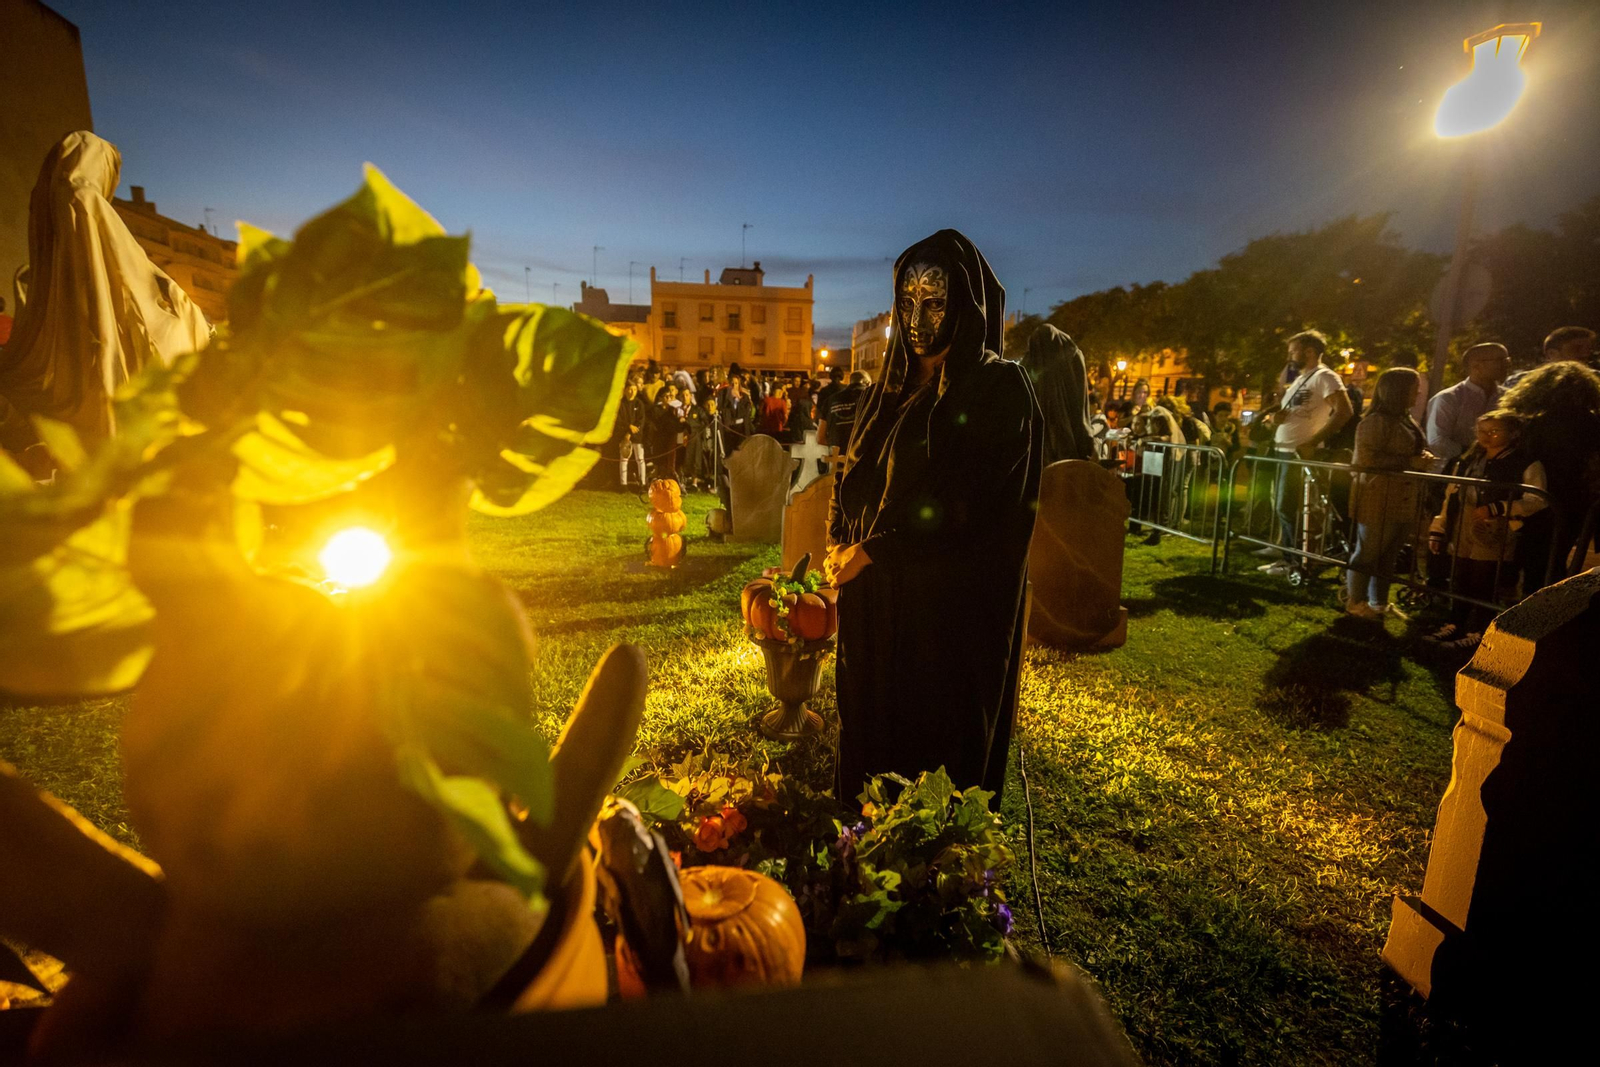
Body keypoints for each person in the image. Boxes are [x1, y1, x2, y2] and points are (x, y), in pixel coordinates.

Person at [827, 229, 1040, 802]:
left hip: (942, 616)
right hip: (873, 603)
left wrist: (877, 550)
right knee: (867, 744)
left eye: (935, 301)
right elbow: (852, 473)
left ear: (965, 305)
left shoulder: (997, 388)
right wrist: (838, 537)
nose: (917, 318)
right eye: (907, 301)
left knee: (928, 758)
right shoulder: (885, 390)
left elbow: (970, 502)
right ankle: (859, 839)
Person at [0, 132, 210, 444]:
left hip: (69, 353)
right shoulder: (86, 200)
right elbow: (133, 275)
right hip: (108, 348)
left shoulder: (47, 207)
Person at [1424, 411, 1547, 652]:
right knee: (1461, 576)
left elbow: (1536, 499)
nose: (1486, 436)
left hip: (1495, 530)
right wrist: (1439, 527)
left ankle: (1479, 631)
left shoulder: (1525, 462)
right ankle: (1455, 623)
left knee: (1485, 580)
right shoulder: (1469, 459)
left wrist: (1499, 508)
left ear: (1513, 433)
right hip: (1464, 524)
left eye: (1494, 431)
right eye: (1481, 431)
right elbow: (1451, 494)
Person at [1498, 360, 1600, 588]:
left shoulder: (1536, 422)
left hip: (1539, 497)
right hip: (1576, 501)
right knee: (1556, 560)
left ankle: (1533, 605)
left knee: (1535, 559)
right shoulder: (1592, 422)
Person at [1257, 330, 1353, 573]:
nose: (1290, 356)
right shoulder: (1302, 379)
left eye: (1293, 351)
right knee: (1285, 507)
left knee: (1289, 507)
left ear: (1309, 351)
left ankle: (1296, 562)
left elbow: (1344, 411)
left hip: (1299, 454)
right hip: (1285, 451)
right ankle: (1290, 558)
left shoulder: (1325, 376)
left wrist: (1313, 442)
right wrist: (1276, 420)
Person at [1343, 368, 1431, 620]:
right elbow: (1366, 459)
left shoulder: (1404, 420)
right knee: (1368, 553)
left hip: (1402, 497)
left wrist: (1421, 457)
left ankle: (1378, 603)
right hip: (1378, 497)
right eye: (1414, 389)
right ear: (1397, 391)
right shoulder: (1375, 422)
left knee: (1389, 555)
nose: (1419, 393)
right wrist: (1410, 461)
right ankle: (1355, 602)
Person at [1019, 325, 1095, 464]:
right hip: (1067, 452)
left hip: (1029, 452)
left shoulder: (1028, 363)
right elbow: (1079, 407)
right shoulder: (1072, 356)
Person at [1425, 342, 1508, 467]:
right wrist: (1473, 455)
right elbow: (1437, 441)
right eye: (1499, 360)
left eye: (1507, 360)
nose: (1506, 365)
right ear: (1476, 366)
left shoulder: (1508, 397)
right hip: (1453, 472)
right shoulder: (1449, 398)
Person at [1503, 326, 1595, 390]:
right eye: (1576, 349)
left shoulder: (1596, 379)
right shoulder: (1520, 382)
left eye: (1589, 349)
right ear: (1552, 354)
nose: (1585, 354)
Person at [818, 370, 869, 451]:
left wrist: (835, 445)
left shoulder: (830, 400)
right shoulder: (872, 398)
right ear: (867, 383)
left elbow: (820, 438)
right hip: (864, 452)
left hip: (837, 453)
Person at [613, 380, 648, 489]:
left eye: (634, 390)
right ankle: (623, 484)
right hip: (623, 436)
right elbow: (618, 420)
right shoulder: (620, 404)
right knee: (624, 459)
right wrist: (628, 428)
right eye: (630, 389)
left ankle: (642, 483)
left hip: (637, 436)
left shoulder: (639, 404)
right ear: (625, 390)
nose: (632, 392)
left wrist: (631, 432)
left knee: (640, 459)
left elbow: (641, 421)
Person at [717, 374, 755, 455]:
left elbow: (747, 412)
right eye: (732, 383)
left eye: (736, 383)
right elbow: (722, 409)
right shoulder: (724, 397)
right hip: (729, 429)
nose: (734, 385)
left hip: (741, 429)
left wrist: (738, 399)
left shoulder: (744, 397)